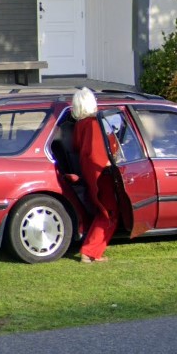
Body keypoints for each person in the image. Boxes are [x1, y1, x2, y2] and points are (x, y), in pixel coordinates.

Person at [71, 87, 117, 263]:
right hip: (101, 174)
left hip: (89, 173)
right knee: (109, 213)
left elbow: (77, 147)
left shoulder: (80, 124)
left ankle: (93, 251)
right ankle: (89, 251)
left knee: (103, 211)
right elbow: (99, 155)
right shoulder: (93, 124)